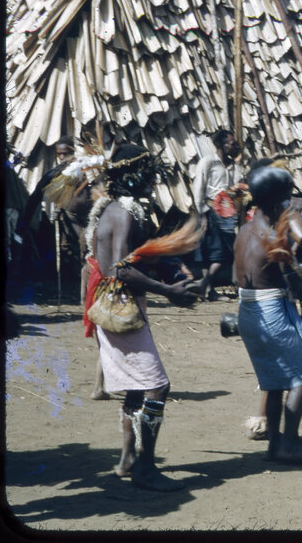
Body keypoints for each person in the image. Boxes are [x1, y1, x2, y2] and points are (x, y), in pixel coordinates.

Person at [84, 143, 200, 490]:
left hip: (121, 306)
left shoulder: (116, 210)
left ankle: (128, 460)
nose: (153, 180)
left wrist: (171, 269)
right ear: (132, 176)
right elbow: (120, 271)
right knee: (157, 387)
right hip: (121, 307)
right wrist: (170, 292)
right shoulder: (122, 212)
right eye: (148, 174)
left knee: (136, 388)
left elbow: (129, 262)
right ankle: (146, 468)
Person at [232, 166, 302, 462]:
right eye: (288, 198)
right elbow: (298, 287)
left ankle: (279, 442)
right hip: (273, 312)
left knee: (275, 383)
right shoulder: (274, 238)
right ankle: (286, 443)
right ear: (278, 201)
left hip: (248, 311)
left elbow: (236, 277)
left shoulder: (244, 232)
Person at [192, 129, 244, 300]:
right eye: (231, 142)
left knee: (221, 253)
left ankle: (207, 289)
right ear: (222, 144)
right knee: (214, 253)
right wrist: (201, 214)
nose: (234, 145)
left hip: (225, 212)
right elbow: (199, 187)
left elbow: (235, 187)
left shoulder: (228, 166)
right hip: (210, 211)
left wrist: (237, 163)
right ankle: (205, 286)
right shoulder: (208, 162)